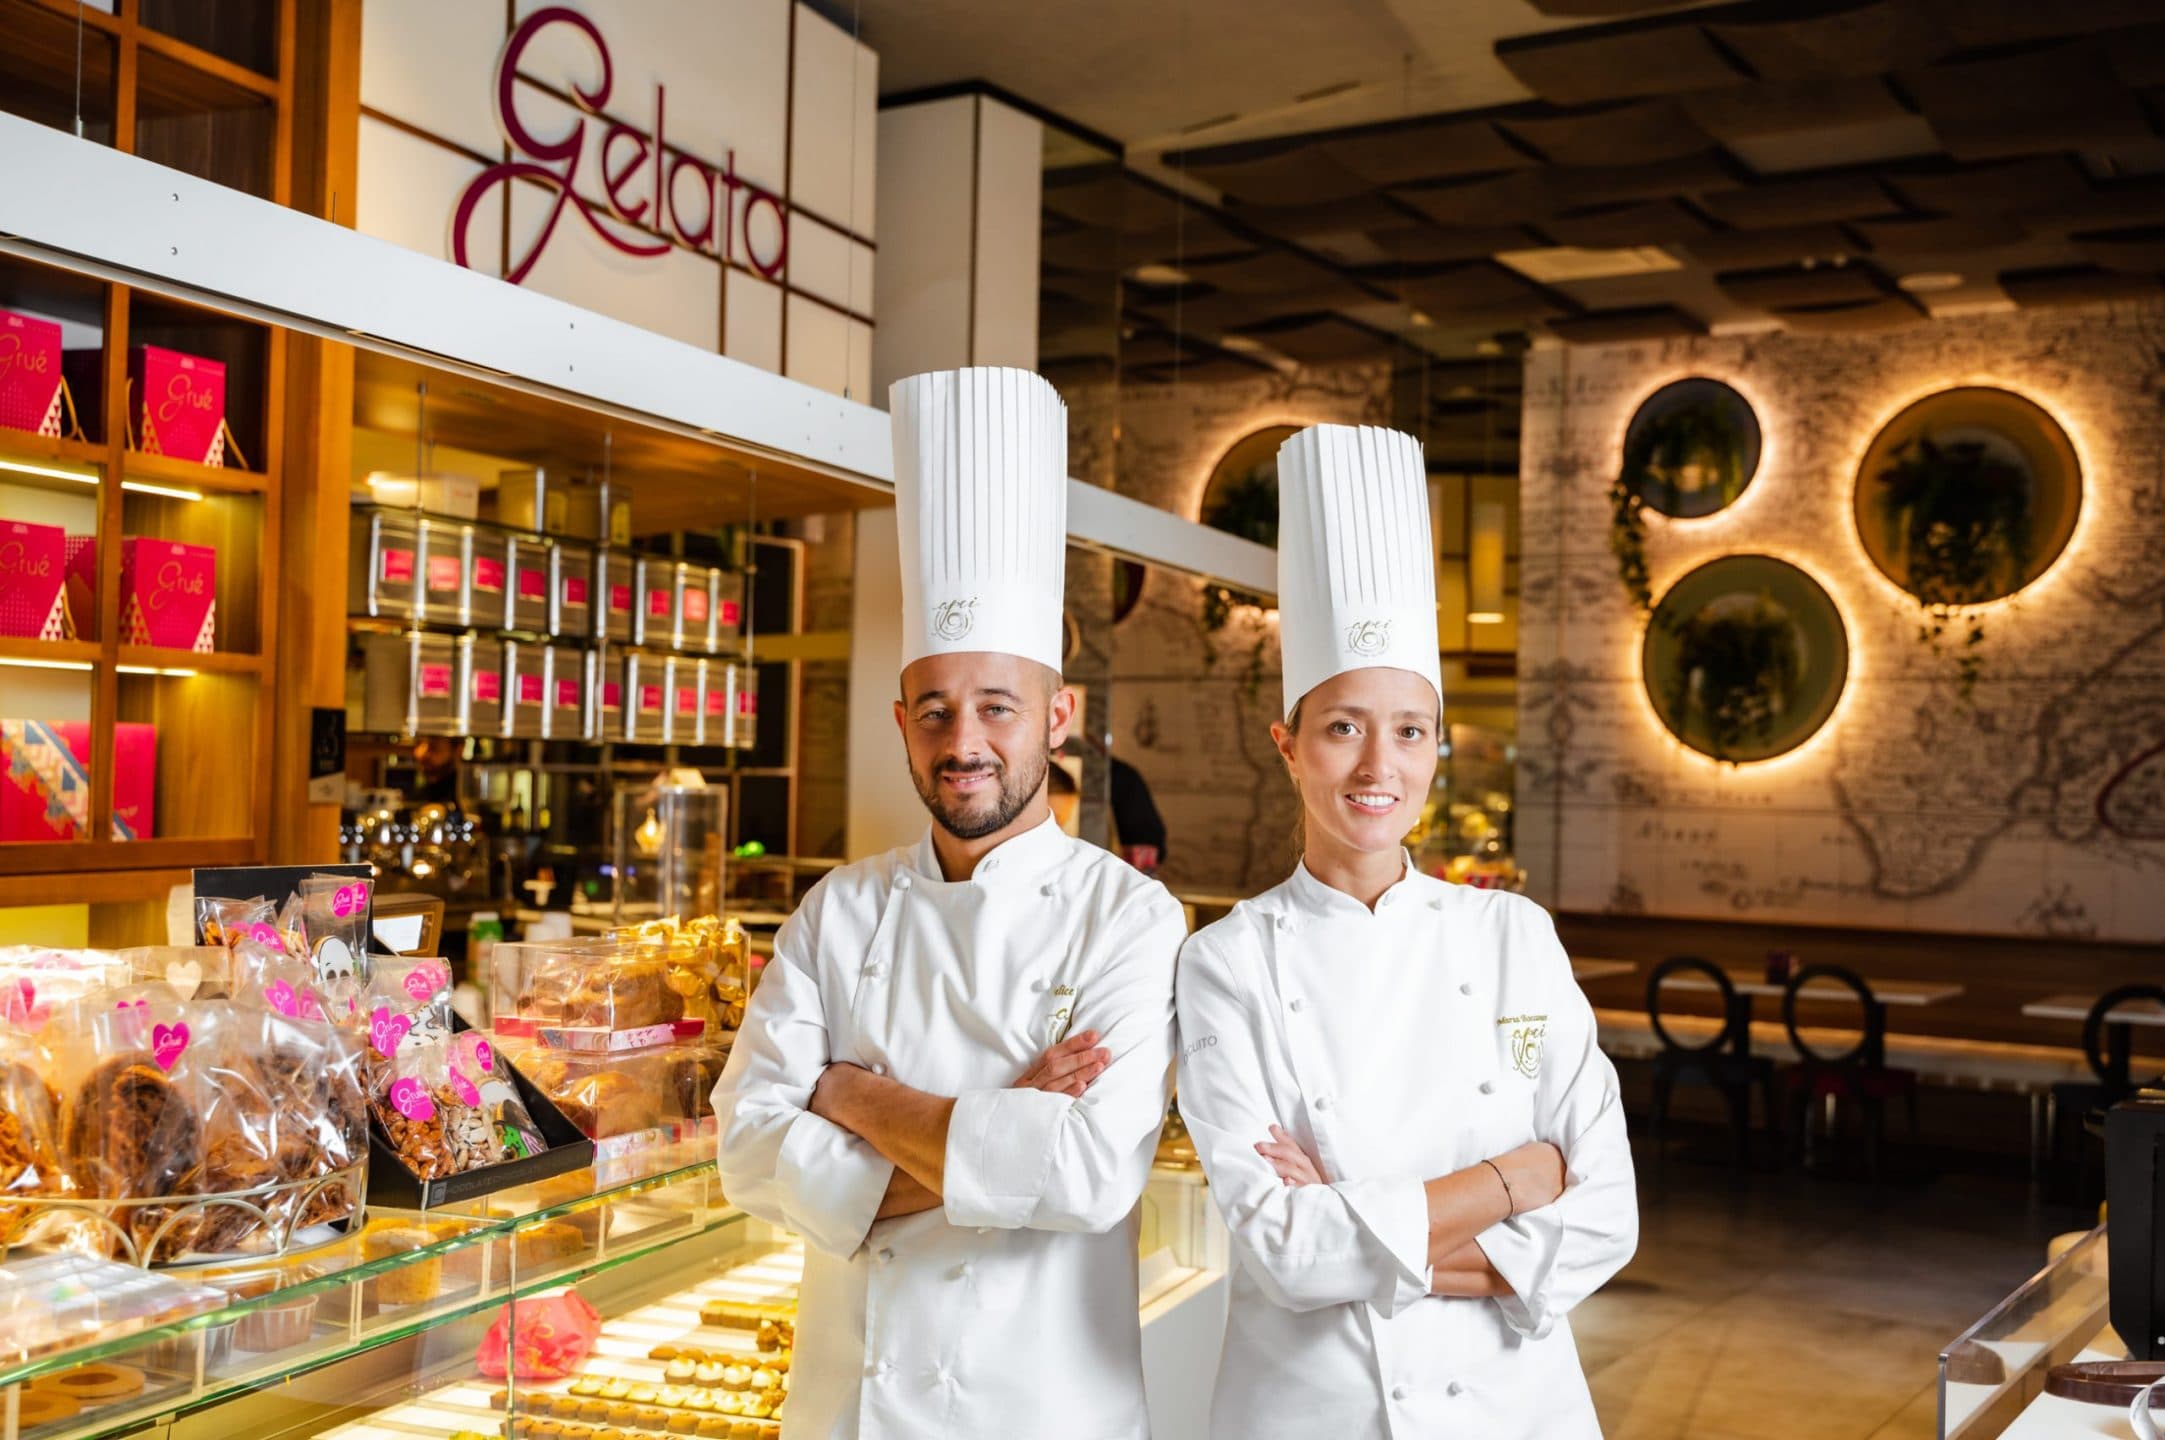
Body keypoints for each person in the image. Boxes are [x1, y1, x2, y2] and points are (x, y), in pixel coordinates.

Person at [714, 367, 1188, 1440]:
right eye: (934, 712)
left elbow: (1083, 1177)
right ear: (900, 722)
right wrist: (999, 1113)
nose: (963, 743)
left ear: (1057, 716)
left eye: (995, 708)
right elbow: (744, 1151)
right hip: (845, 1409)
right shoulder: (838, 909)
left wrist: (848, 1095)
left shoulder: (1131, 919)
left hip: (1044, 1412)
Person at [1175, 423, 1638, 1439]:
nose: (1375, 766)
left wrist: (1354, 1214)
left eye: (1409, 731)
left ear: (1437, 751)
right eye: (1342, 727)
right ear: (1287, 746)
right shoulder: (1225, 962)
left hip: (1517, 1408)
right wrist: (1513, 1179)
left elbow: (1605, 1214)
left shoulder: (1513, 936)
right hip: (1315, 1409)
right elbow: (1282, 1253)